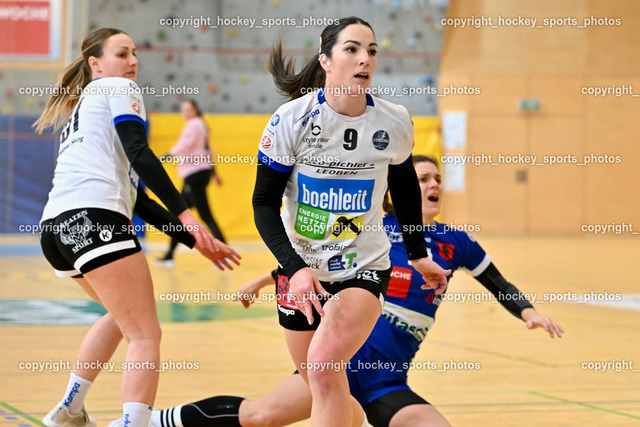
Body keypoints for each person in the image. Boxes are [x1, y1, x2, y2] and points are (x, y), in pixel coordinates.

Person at [133, 155, 564, 427]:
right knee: (260, 415)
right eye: (422, 179)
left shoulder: (458, 243)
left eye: (436, 179)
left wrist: (528, 313)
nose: (432, 185)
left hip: (385, 383)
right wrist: (267, 279)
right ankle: (152, 422)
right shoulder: (371, 230)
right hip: (335, 363)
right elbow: (315, 260)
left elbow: (498, 282)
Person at [33, 28, 241, 427]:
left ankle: (70, 409)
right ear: (96, 64)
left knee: (120, 315)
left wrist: (194, 240)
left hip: (56, 231)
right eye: (122, 53)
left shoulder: (82, 110)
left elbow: (138, 199)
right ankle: (134, 423)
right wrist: (186, 215)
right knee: (145, 334)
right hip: (96, 221)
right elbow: (141, 154)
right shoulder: (116, 89)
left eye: (134, 53)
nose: (133, 62)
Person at [251, 17, 450, 426]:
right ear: (325, 60)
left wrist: (417, 254)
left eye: (372, 51)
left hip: (363, 269)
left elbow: (405, 190)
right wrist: (296, 269)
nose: (365, 59)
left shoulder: (393, 121)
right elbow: (263, 204)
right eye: (352, 49)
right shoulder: (291, 119)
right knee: (321, 383)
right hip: (300, 272)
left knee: (323, 366)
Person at [156, 99, 225, 267]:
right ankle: (170, 255)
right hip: (198, 174)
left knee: (201, 216)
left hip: (195, 175)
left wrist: (165, 156)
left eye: (188, 109)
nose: (185, 112)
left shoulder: (194, 125)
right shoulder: (201, 124)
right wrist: (214, 172)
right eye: (183, 109)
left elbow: (184, 145)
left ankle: (224, 251)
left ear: (195, 110)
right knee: (180, 217)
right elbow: (209, 150)